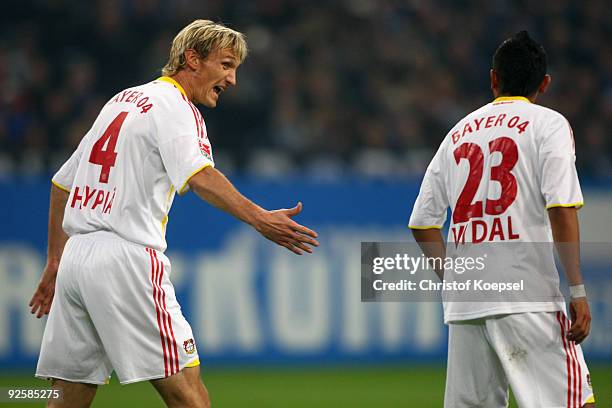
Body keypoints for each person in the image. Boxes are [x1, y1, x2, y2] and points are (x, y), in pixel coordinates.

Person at [29, 19, 319, 408]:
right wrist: (259, 218)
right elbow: (200, 175)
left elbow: (62, 183)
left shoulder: (122, 100)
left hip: (77, 259)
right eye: (226, 65)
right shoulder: (177, 107)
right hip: (126, 258)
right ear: (192, 59)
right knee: (188, 392)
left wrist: (55, 259)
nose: (232, 80)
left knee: (69, 395)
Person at [408, 31, 595, 407]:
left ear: (493, 79)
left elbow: (423, 224)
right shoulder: (550, 124)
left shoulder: (457, 133)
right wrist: (577, 290)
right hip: (528, 295)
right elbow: (561, 208)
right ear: (544, 83)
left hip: (466, 306)